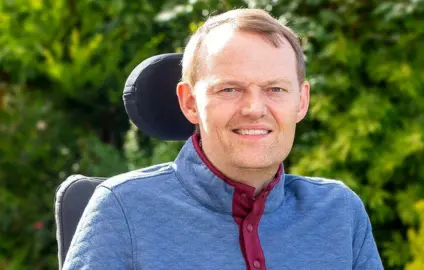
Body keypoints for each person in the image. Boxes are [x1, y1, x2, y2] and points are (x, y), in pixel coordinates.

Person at [62, 8, 383, 270]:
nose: (255, 108)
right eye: (229, 89)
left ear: (301, 101)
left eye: (276, 89)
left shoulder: (338, 212)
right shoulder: (124, 209)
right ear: (189, 102)